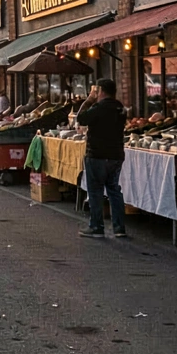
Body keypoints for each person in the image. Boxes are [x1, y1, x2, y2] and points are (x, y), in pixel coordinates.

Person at [76, 78, 128, 239]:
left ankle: (97, 226)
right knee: (114, 190)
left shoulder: (99, 107)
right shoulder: (120, 108)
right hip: (115, 155)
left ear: (101, 91)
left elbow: (81, 118)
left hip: (97, 155)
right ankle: (119, 227)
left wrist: (89, 100)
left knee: (96, 191)